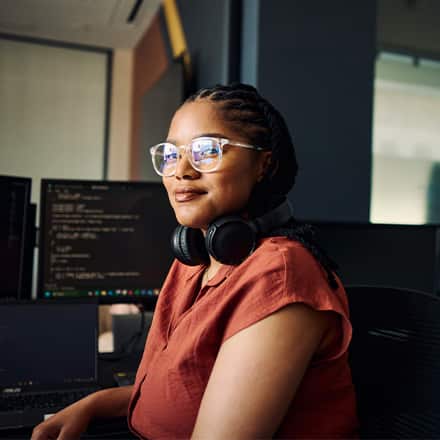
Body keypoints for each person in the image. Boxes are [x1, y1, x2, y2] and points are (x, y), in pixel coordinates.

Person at [32, 83, 358, 439]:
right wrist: (94, 404)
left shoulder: (279, 275)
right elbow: (176, 395)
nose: (181, 170)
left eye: (207, 150)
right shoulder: (195, 260)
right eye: (171, 154)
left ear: (263, 164)